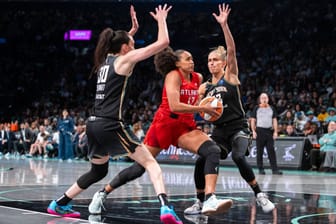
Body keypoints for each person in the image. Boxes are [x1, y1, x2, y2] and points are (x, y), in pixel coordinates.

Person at [47, 5, 183, 224]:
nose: (134, 47)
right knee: (151, 163)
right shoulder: (124, 60)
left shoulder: (105, 62)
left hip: (94, 124)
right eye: (132, 45)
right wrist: (161, 20)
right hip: (111, 124)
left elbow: (120, 44)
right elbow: (163, 43)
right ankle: (166, 208)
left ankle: (60, 203)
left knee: (98, 172)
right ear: (124, 48)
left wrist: (132, 31)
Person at [87, 46, 234, 217]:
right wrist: (202, 107)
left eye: (192, 58)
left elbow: (199, 94)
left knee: (212, 151)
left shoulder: (198, 77)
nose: (192, 61)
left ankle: (208, 199)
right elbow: (175, 106)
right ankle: (102, 193)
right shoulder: (173, 76)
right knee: (139, 168)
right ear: (177, 63)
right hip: (164, 125)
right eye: (188, 59)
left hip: (185, 127)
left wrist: (209, 101)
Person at [186, 3, 275, 216]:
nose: (211, 63)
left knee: (238, 156)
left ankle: (260, 195)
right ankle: (201, 202)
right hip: (218, 131)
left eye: (215, 60)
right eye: (209, 60)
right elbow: (197, 112)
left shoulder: (230, 76)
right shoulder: (205, 87)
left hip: (238, 128)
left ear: (224, 63)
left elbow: (232, 51)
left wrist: (224, 26)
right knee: (200, 161)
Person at [250, 93, 283, 175]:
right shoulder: (256, 108)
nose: (264, 99)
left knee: (271, 150)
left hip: (269, 131)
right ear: (260, 99)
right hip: (259, 131)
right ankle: (260, 169)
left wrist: (275, 131)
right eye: (262, 98)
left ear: (268, 99)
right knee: (259, 151)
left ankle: (274, 169)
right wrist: (253, 131)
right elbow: (253, 120)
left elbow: (274, 120)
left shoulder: (272, 108)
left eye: (265, 97)